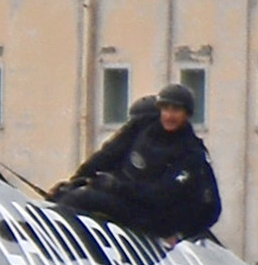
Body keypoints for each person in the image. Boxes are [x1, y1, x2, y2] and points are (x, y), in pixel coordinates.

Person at [51, 83, 221, 241]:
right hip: (127, 197)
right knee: (65, 193)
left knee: (82, 198)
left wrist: (115, 187)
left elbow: (162, 195)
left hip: (153, 216)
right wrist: (78, 179)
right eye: (166, 109)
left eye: (176, 110)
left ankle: (57, 241)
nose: (169, 116)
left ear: (187, 114)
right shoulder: (144, 127)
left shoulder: (191, 152)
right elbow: (108, 155)